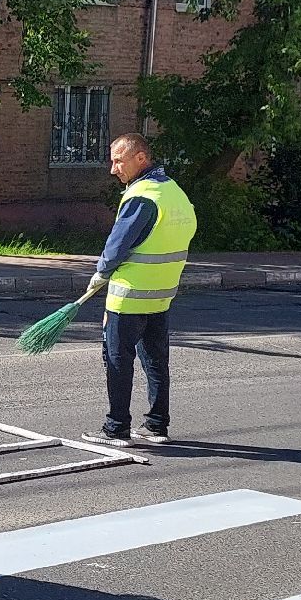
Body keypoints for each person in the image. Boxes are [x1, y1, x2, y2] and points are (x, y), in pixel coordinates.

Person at [83, 133, 197, 448]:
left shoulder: (141, 196)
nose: (113, 169)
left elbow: (117, 245)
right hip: (161, 295)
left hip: (129, 296)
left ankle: (116, 428)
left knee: (117, 360)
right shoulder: (173, 192)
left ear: (141, 159)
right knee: (156, 361)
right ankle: (157, 426)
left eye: (118, 161)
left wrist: (101, 273)